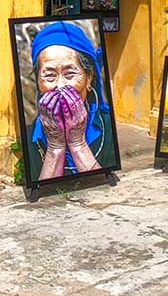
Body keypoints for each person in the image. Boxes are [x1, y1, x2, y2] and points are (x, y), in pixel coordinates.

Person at [27, 20, 115, 181]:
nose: (60, 86)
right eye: (49, 75)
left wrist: (77, 142)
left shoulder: (109, 128)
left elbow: (103, 193)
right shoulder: (28, 136)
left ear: (89, 78)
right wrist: (55, 145)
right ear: (38, 83)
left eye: (70, 74)